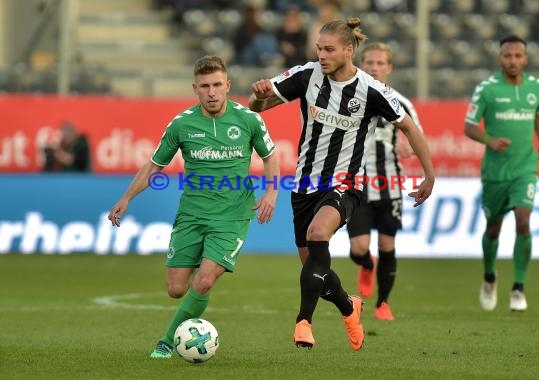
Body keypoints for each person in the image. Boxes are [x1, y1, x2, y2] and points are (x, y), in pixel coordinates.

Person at [249, 18, 434, 350]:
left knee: (318, 234)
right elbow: (256, 110)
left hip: (346, 183)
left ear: (349, 50)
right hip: (305, 185)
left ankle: (303, 323)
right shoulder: (306, 76)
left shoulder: (372, 89)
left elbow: (410, 128)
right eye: (319, 48)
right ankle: (350, 307)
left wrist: (428, 174)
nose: (321, 55)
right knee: (315, 269)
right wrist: (260, 96)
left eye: (329, 49)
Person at [107, 55, 280, 358]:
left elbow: (271, 157)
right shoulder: (182, 124)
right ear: (195, 88)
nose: (211, 92)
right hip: (191, 214)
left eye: (216, 85)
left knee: (203, 282)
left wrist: (271, 193)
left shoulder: (249, 119)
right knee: (176, 289)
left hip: (232, 216)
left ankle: (166, 340)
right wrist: (126, 198)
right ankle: (197, 287)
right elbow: (153, 166)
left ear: (227, 86)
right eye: (204, 86)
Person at [464, 35, 539, 312]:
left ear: (525, 58)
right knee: (493, 228)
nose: (513, 61)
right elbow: (469, 126)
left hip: (525, 168)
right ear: (500, 58)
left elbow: (538, 114)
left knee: (523, 221)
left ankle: (518, 288)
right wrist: (490, 140)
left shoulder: (536, 86)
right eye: (507, 56)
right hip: (495, 172)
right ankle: (490, 277)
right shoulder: (487, 89)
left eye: (518, 56)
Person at [346, 42, 423, 321]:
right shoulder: (349, 96)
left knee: (388, 244)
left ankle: (383, 303)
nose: (374, 67)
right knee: (359, 248)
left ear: (388, 68)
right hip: (356, 185)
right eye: (369, 62)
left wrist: (411, 149)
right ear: (360, 63)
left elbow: (419, 137)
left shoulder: (401, 103)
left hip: (388, 184)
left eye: (380, 63)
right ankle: (367, 265)